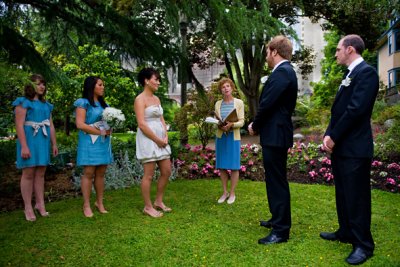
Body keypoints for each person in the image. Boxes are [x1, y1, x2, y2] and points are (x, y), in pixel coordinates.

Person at [320, 34, 378, 265]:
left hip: (355, 147)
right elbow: (339, 110)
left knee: (357, 197)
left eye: (337, 49)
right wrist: (327, 133)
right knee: (343, 193)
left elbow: (356, 110)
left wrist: (334, 136)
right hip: (342, 147)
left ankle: (363, 245)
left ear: (350, 49)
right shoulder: (349, 74)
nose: (335, 53)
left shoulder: (367, 73)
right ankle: (345, 231)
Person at [248, 35, 298, 245]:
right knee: (274, 179)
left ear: (275, 52)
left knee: (277, 182)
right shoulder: (284, 72)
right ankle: (277, 219)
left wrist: (254, 125)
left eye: (267, 52)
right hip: (275, 134)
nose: (266, 57)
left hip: (276, 134)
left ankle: (281, 231)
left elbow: (267, 104)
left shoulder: (283, 73)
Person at [13, 74, 58, 221]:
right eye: (38, 84)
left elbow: (50, 125)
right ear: (30, 86)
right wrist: (24, 146)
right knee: (28, 173)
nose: (42, 87)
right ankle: (28, 207)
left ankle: (40, 204)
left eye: (43, 84)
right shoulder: (23, 102)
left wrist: (54, 143)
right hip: (29, 140)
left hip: (42, 140)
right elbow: (19, 125)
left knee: (40, 173)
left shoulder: (46, 105)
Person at [134, 67, 172, 218]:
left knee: (167, 171)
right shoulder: (139, 99)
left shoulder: (156, 99)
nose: (158, 83)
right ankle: (148, 207)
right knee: (148, 175)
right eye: (156, 79)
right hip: (148, 139)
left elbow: (162, 120)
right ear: (146, 80)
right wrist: (157, 140)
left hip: (161, 140)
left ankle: (158, 201)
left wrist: (165, 136)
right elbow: (142, 124)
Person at [74, 76, 112, 218]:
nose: (103, 87)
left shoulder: (104, 105)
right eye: (100, 85)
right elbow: (80, 124)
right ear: (92, 86)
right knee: (89, 173)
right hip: (88, 142)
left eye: (103, 85)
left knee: (101, 173)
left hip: (102, 142)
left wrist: (111, 127)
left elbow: (107, 123)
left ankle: (99, 202)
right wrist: (101, 131)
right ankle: (86, 204)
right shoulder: (83, 103)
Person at [214, 78, 245, 204]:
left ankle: (232, 193)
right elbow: (217, 120)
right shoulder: (217, 104)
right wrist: (219, 125)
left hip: (233, 137)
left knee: (234, 166)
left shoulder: (239, 103)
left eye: (228, 86)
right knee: (221, 166)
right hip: (221, 137)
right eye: (223, 87)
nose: (226, 88)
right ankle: (224, 192)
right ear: (221, 90)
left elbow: (242, 121)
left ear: (232, 88)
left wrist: (231, 125)